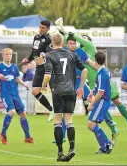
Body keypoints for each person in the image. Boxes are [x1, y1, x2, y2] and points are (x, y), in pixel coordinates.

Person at [62, 30, 127, 142]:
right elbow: (68, 42)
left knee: (117, 101)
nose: (82, 40)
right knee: (99, 106)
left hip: (104, 80)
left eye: (84, 38)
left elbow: (76, 39)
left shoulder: (91, 47)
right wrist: (63, 32)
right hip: (94, 84)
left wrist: (67, 32)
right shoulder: (81, 53)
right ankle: (113, 128)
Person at [42, 33, 88, 162]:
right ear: (63, 43)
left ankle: (60, 152)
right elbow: (84, 70)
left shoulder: (49, 55)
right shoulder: (72, 54)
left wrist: (43, 85)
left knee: (57, 120)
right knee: (69, 119)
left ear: (52, 43)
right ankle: (72, 148)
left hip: (57, 91)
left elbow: (47, 75)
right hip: (71, 90)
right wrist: (81, 87)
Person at [0, 48, 34, 145]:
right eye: (6, 54)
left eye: (10, 54)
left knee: (23, 113)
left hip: (15, 93)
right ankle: (2, 134)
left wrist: (24, 84)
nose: (8, 56)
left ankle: (27, 137)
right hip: (6, 94)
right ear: (3, 55)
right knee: (12, 112)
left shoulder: (14, 67)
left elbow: (16, 78)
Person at [21, 20, 54, 122]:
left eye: (43, 27)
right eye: (40, 27)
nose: (40, 29)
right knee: (35, 91)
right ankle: (51, 109)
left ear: (48, 29)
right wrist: (29, 59)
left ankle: (59, 112)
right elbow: (34, 51)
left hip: (47, 67)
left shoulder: (49, 39)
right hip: (39, 68)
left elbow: (50, 53)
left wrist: (43, 56)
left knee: (55, 91)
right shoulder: (36, 37)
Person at [87, 51, 114, 154]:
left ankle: (108, 143)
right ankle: (103, 148)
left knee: (91, 124)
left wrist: (91, 104)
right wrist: (92, 91)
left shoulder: (102, 73)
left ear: (95, 60)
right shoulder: (106, 70)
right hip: (103, 101)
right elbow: (101, 88)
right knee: (93, 124)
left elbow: (101, 92)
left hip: (102, 101)